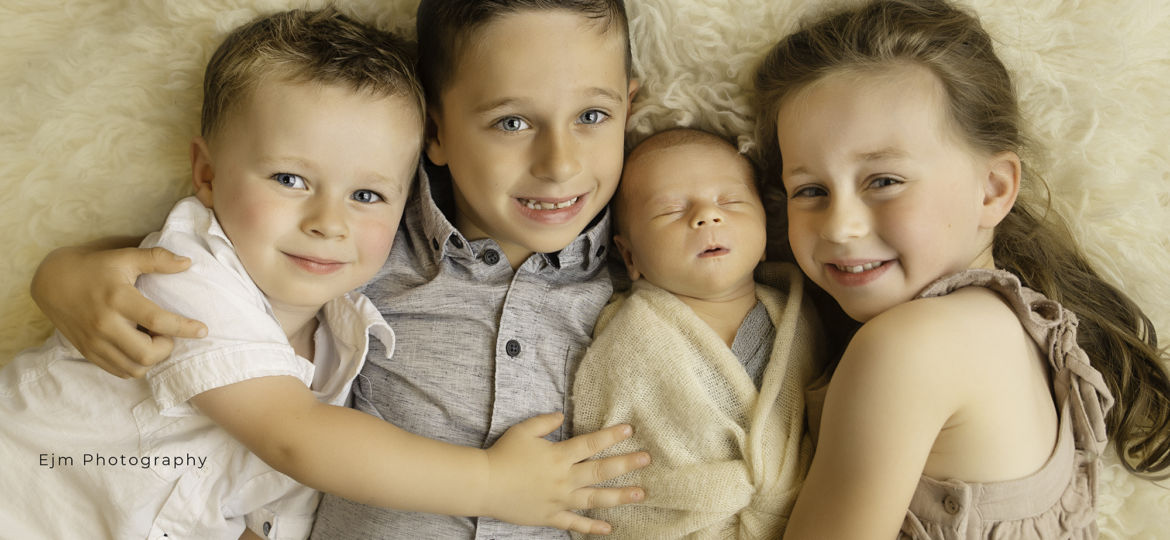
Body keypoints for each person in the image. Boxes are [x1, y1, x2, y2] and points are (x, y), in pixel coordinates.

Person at [2, 8, 648, 539]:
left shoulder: (341, 317)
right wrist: (493, 484)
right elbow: (295, 439)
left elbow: (262, 486)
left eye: (367, 195)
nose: (329, 223)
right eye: (290, 179)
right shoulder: (239, 280)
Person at [751, 0, 1170, 537]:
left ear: (993, 190)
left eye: (883, 180)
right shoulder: (1021, 330)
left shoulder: (908, 346)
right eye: (810, 190)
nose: (839, 226)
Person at [571, 128, 824, 538]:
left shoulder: (801, 319)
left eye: (730, 201)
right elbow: (608, 453)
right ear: (630, 256)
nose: (707, 216)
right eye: (671, 210)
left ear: (765, 235)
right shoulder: (632, 338)